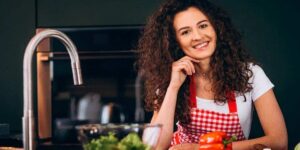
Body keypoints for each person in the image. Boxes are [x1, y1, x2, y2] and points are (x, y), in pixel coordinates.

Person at [137, 0, 288, 149]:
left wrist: (201, 148)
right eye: (185, 32)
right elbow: (154, 147)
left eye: (203, 26)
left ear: (216, 28)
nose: (197, 36)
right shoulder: (170, 78)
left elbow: (279, 141)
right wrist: (173, 87)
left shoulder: (251, 74)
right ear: (175, 42)